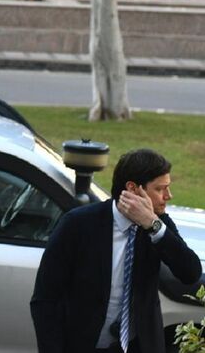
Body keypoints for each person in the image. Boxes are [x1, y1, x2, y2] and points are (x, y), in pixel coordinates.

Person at [31, 148, 201, 353]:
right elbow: (45, 299)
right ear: (133, 189)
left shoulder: (157, 224)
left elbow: (190, 273)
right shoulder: (77, 224)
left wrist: (153, 226)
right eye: (160, 189)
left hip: (137, 346)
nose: (168, 196)